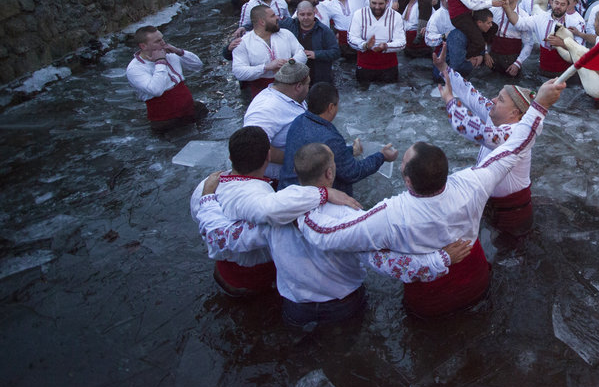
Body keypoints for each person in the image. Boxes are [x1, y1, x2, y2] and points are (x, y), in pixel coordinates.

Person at [296, 78, 565, 317]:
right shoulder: (472, 182)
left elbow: (325, 234)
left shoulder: (391, 213)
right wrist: (539, 105)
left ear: (407, 181)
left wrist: (312, 196)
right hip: (475, 279)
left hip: (432, 298)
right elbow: (516, 145)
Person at [194, 149, 471, 327]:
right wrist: (441, 258)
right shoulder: (348, 215)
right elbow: (388, 264)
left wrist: (208, 197)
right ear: (330, 173)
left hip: (296, 308)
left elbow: (222, 237)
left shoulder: (273, 218)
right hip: (343, 305)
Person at [187, 126, 339, 297]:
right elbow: (273, 223)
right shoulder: (264, 198)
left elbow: (199, 219)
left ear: (231, 158)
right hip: (258, 280)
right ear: (268, 156)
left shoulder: (206, 186)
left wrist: (208, 195)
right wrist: (324, 192)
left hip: (222, 274)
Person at [433, 46, 538, 235]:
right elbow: (469, 93)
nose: (493, 99)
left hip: (513, 214)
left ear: (515, 113)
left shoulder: (515, 135)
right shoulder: (495, 113)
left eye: (501, 99)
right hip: (489, 206)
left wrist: (449, 100)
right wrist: (444, 69)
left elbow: (476, 131)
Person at [281, 82, 398, 192]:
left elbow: (324, 153)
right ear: (331, 107)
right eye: (337, 105)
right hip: (312, 200)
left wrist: (351, 150)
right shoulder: (330, 138)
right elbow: (352, 172)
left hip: (287, 189)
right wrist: (382, 156)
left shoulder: (299, 121)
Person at [126, 26, 206, 132]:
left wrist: (179, 52)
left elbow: (197, 66)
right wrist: (160, 62)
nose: (163, 43)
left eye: (162, 38)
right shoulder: (135, 69)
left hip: (189, 109)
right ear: (143, 46)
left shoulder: (169, 54)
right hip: (166, 121)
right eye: (157, 41)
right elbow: (156, 90)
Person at [242, 59, 310, 183]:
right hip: (279, 180)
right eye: (308, 85)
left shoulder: (293, 96)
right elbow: (253, 147)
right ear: (298, 86)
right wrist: (294, 159)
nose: (308, 89)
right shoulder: (266, 108)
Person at [232, 4, 306, 99]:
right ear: (262, 22)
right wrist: (266, 67)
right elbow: (239, 72)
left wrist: (290, 63)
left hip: (290, 89)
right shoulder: (243, 43)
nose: (277, 18)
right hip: (262, 95)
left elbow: (302, 53)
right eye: (272, 16)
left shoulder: (285, 34)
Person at [504, 0, 585, 78]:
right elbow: (520, 24)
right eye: (556, 3)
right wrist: (507, 7)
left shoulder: (575, 22)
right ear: (551, 2)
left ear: (567, 6)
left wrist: (562, 43)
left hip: (566, 72)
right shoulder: (540, 18)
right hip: (544, 69)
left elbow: (580, 50)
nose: (558, 7)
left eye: (562, 4)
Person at [349, 0, 406, 84]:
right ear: (369, 1)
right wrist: (365, 45)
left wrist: (386, 46)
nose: (377, 7)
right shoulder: (359, 14)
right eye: (374, 3)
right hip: (365, 65)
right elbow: (351, 39)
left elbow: (402, 42)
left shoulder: (396, 16)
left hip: (389, 66)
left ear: (387, 2)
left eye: (381, 4)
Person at [280, 1, 340, 85]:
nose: (306, 17)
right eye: (302, 14)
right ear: (297, 14)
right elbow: (273, 25)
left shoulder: (324, 31)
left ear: (314, 13)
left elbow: (336, 52)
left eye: (309, 14)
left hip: (318, 76)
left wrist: (316, 54)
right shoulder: (290, 25)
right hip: (295, 76)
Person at [488, 0, 533, 77]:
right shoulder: (493, 10)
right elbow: (483, 33)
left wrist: (517, 63)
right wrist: (485, 53)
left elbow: (529, 43)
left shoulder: (524, 16)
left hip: (511, 59)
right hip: (492, 56)